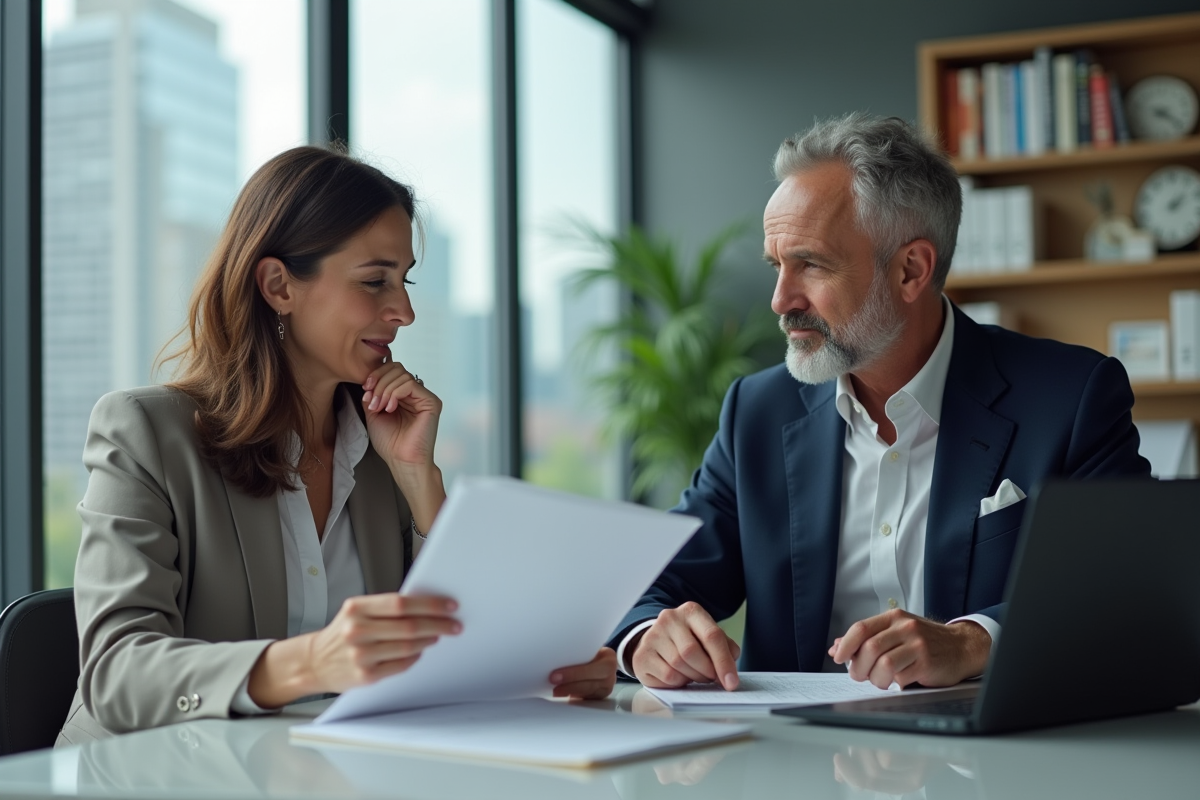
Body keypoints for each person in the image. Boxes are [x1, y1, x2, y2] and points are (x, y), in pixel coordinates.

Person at [58, 147, 615, 744]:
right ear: (278, 286)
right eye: (375, 281)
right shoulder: (146, 433)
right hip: (151, 778)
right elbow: (117, 675)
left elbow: (453, 651)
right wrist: (311, 662)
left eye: (404, 281)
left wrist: (420, 481)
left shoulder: (382, 451)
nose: (403, 311)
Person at [608, 113, 1151, 693]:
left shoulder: (1072, 396)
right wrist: (646, 639)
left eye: (810, 263)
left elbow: (1130, 590)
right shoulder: (757, 411)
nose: (779, 300)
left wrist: (973, 641)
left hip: (987, 770)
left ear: (911, 270)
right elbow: (649, 586)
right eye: (778, 265)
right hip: (793, 767)